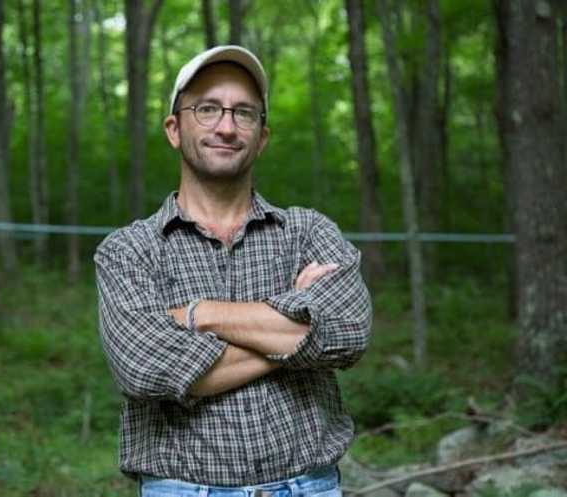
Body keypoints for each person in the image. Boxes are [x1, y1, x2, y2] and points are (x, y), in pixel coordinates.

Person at [95, 45, 372, 497]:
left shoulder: (308, 232)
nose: (226, 127)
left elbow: (348, 331)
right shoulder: (129, 251)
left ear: (261, 137)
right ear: (173, 128)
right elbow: (145, 368)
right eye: (207, 109)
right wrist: (297, 331)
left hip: (310, 488)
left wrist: (200, 314)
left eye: (244, 113)